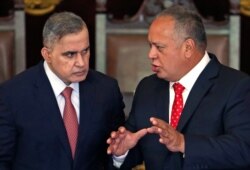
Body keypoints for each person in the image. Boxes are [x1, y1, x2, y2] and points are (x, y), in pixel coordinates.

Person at [107, 5, 250, 170]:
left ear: (188, 48)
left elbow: (243, 150)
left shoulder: (237, 87)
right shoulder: (148, 88)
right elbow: (137, 147)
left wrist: (183, 143)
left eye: (159, 47)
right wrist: (121, 153)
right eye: (150, 46)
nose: (151, 54)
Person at [0, 12, 125, 170]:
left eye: (85, 51)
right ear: (48, 54)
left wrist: (119, 157)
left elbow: (115, 151)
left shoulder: (107, 90)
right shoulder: (11, 96)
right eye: (70, 54)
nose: (81, 62)